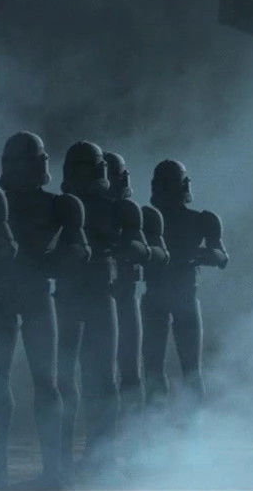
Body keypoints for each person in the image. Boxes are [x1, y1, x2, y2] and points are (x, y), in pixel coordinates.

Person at [57, 142, 150, 476]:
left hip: (106, 293)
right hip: (69, 295)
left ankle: (106, 456)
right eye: (76, 168)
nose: (81, 176)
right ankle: (63, 461)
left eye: (87, 169)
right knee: (64, 378)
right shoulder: (61, 207)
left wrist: (127, 246)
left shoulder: (119, 210)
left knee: (109, 376)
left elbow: (145, 249)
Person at [0, 134, 63, 488]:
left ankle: (52, 472)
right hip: (2, 298)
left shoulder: (59, 206)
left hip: (35, 296)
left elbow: (79, 251)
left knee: (45, 383)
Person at [141, 160, 227, 423]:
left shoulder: (201, 220)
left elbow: (221, 256)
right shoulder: (145, 220)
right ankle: (156, 428)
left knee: (190, 370)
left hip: (184, 297)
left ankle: (190, 429)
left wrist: (201, 254)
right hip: (157, 297)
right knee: (154, 370)